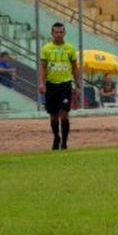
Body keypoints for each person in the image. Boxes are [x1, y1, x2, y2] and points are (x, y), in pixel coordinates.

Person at [38, 22, 82, 150]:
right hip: (51, 84)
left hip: (65, 84)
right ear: (52, 34)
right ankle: (56, 137)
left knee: (64, 113)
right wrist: (41, 83)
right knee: (53, 115)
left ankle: (64, 142)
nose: (58, 34)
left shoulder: (70, 48)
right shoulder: (46, 48)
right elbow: (42, 67)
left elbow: (75, 68)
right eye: (56, 32)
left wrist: (78, 85)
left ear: (64, 33)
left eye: (61, 32)